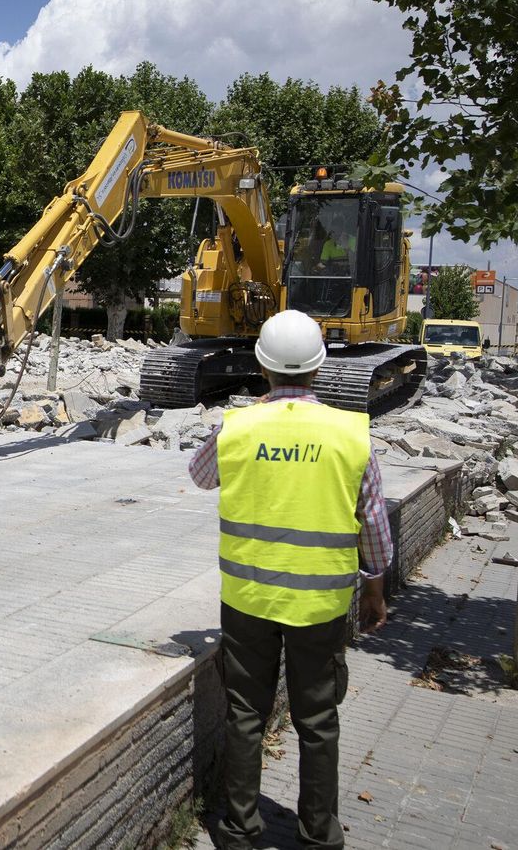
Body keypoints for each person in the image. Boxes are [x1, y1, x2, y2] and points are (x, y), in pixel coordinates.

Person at [187, 309, 391, 850]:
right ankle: (319, 832)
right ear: (321, 368)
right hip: (321, 606)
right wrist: (374, 588)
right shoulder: (350, 434)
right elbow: (372, 520)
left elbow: (200, 475)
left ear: (261, 365)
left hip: (249, 600)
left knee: (246, 714)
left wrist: (248, 425)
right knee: (318, 718)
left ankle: (238, 827)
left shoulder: (238, 427)